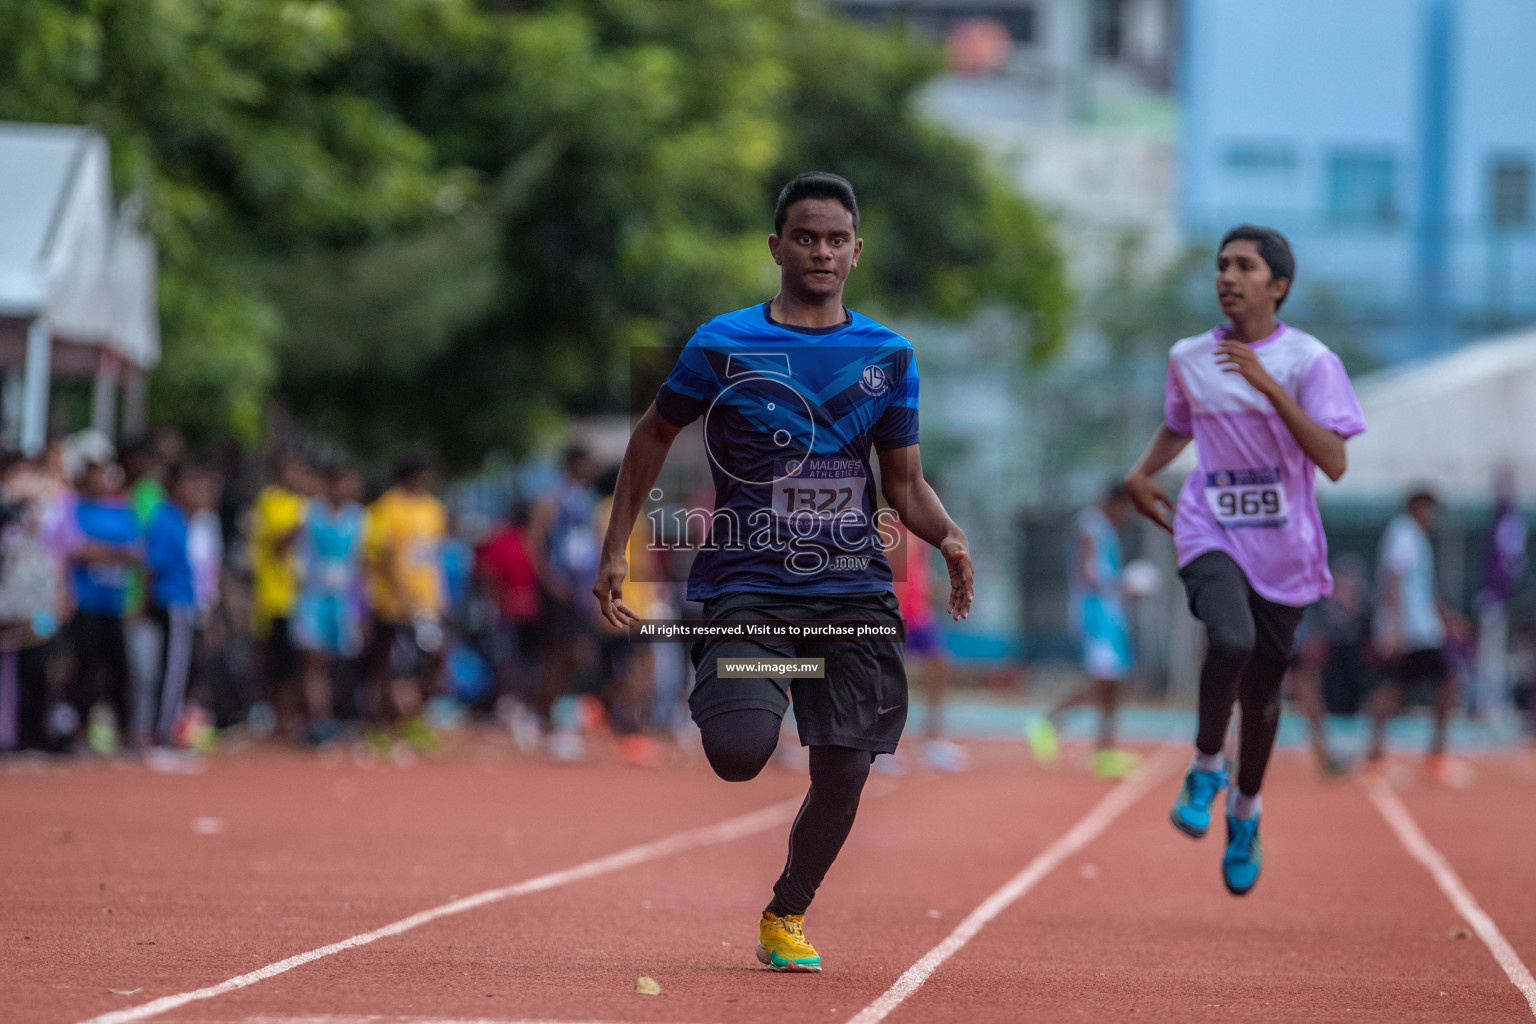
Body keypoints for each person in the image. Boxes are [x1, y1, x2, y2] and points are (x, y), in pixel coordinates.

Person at [594, 172, 973, 972]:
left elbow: (903, 484)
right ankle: (775, 678)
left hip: (854, 594)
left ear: (857, 251)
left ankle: (785, 913)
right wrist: (615, 548)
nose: (822, 251)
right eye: (806, 236)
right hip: (749, 588)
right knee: (738, 751)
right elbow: (652, 437)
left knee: (845, 769)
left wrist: (949, 540)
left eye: (837, 239)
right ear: (777, 247)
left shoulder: (888, 355)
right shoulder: (722, 345)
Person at [1123, 224, 1365, 896]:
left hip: (1285, 549)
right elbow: (1182, 422)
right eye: (1221, 265)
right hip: (1210, 529)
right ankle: (1206, 766)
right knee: (1228, 639)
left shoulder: (1311, 362)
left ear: (1278, 286)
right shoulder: (1189, 356)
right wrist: (1141, 473)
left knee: (1262, 696)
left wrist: (1269, 386)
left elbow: (1335, 461)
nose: (1227, 276)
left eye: (1245, 267)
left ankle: (1247, 811)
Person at [1028, 484, 1140, 778]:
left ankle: (1106, 751)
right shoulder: (1090, 526)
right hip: (1096, 615)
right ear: (1113, 502)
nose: (1127, 515)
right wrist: (1126, 583)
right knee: (1106, 679)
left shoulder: (1103, 529)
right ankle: (1048, 722)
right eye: (1125, 507)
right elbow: (1088, 574)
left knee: (1115, 683)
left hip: (1110, 613)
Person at [1369, 490, 1463, 779]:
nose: (1432, 516)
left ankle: (1381, 750)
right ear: (1417, 506)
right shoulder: (1403, 534)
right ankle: (1430, 752)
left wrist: (1446, 617)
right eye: (1429, 509)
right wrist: (1395, 628)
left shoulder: (1415, 537)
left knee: (1400, 686)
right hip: (1412, 630)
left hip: (1422, 628)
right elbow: (1394, 580)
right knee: (1423, 684)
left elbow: (1422, 586)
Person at [363, 456, 448, 749]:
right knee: (391, 665)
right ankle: (385, 724)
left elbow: (431, 557)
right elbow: (382, 557)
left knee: (433, 658)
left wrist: (440, 595)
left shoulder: (433, 509)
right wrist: (402, 593)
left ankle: (410, 719)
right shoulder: (388, 507)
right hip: (394, 604)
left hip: (425, 603)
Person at [67, 460, 141, 753]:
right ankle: (80, 732)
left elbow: (136, 553)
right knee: (85, 669)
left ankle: (124, 732)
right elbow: (79, 550)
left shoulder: (124, 511)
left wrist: (102, 553)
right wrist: (115, 554)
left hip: (114, 605)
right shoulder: (77, 509)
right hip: (85, 603)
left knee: (119, 669)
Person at [293, 465, 367, 745]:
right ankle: (318, 720)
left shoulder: (358, 518)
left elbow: (360, 564)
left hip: (343, 600)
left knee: (336, 663)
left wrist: (361, 609)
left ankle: (331, 718)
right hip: (313, 596)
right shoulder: (310, 513)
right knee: (314, 660)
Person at [143, 463, 212, 749]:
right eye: (192, 485)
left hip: (180, 600)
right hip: (172, 601)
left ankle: (165, 727)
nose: (198, 492)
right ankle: (164, 732)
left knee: (175, 668)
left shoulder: (184, 520)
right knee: (173, 669)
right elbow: (152, 563)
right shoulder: (166, 518)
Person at [1284, 553, 1370, 776]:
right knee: (1257, 691)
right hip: (1279, 624)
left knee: (1305, 691)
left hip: (1287, 628)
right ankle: (1228, 752)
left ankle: (1324, 754)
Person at [890, 518, 965, 771]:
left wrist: (935, 587)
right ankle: (880, 744)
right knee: (892, 677)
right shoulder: (894, 528)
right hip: (901, 614)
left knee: (939, 664)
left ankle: (932, 739)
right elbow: (893, 571)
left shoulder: (921, 532)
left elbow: (914, 573)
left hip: (919, 613)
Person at [249, 452, 311, 736]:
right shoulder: (270, 501)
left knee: (298, 661)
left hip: (303, 597)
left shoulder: (308, 505)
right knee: (271, 658)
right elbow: (274, 544)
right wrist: (298, 526)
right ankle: (269, 714)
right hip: (273, 594)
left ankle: (290, 717)